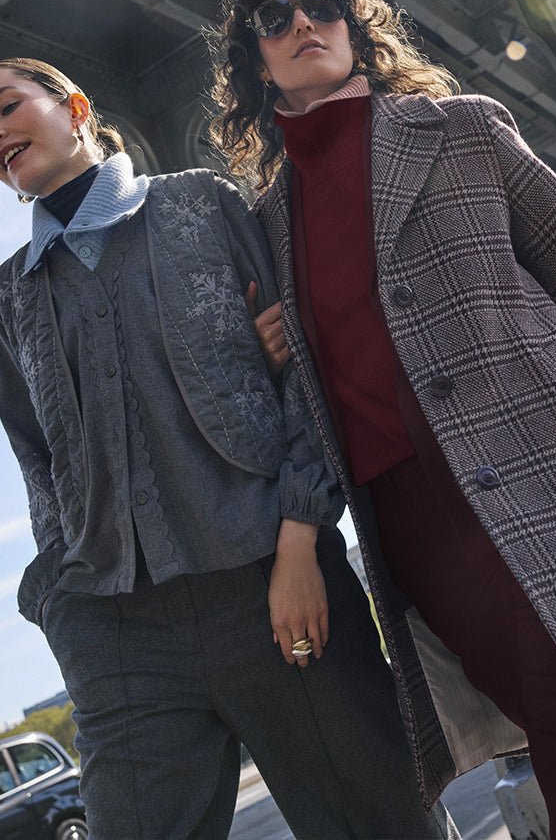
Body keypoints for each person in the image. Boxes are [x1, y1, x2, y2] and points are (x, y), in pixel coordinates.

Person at [209, 0, 556, 839]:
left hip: (555, 474)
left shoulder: (461, 129)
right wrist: (271, 350)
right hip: (416, 527)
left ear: (354, 25)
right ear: (257, 64)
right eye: (275, 20)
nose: (303, 22)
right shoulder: (263, 225)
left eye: (321, 3)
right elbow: (291, 394)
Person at [0, 57, 460, 840]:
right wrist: (63, 611)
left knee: (386, 825)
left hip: (274, 584)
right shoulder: (10, 296)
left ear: (74, 108)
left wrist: (300, 542)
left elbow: (308, 373)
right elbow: (39, 462)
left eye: (8, 105)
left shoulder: (200, 204)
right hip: (116, 631)